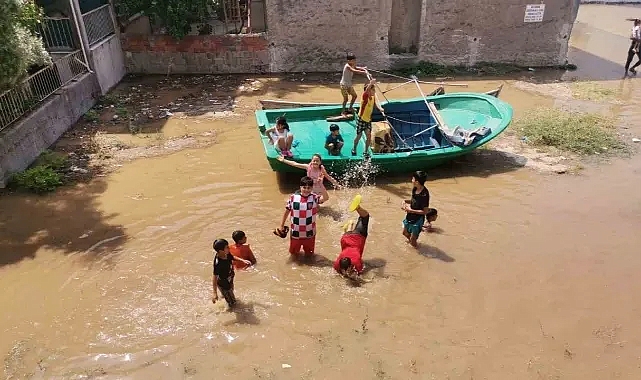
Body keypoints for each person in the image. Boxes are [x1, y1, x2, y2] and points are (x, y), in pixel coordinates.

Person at [279, 176, 328, 256]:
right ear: (300, 187)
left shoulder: (314, 198)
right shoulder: (293, 198)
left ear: (312, 188)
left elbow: (326, 198)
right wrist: (281, 225)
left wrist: (321, 185)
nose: (306, 190)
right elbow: (286, 211)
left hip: (310, 233)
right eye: (304, 187)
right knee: (294, 254)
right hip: (295, 233)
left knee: (309, 254)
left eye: (308, 188)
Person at [334, 199, 370, 281]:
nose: (344, 271)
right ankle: (350, 223)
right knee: (349, 234)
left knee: (365, 217)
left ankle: (357, 208)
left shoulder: (356, 263)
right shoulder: (337, 265)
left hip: (356, 238)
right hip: (345, 239)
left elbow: (358, 278)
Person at [276, 154, 341, 199]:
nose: (315, 162)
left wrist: (337, 184)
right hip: (310, 187)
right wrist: (284, 160)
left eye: (317, 161)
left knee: (318, 203)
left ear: (320, 162)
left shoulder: (321, 169)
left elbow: (328, 176)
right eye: (314, 160)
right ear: (311, 161)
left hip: (318, 188)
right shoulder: (308, 167)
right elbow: (295, 164)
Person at [212, 238, 252, 308]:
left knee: (230, 292)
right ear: (221, 251)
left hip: (230, 278)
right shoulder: (218, 264)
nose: (229, 248)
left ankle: (224, 297)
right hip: (224, 283)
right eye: (227, 247)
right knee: (233, 303)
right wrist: (214, 293)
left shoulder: (226, 253)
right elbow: (214, 277)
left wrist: (242, 260)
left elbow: (232, 257)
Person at [352, 79, 385, 157]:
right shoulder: (365, 97)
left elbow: (376, 103)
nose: (374, 91)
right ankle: (354, 148)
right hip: (361, 119)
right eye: (373, 90)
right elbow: (366, 90)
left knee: (369, 136)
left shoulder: (373, 97)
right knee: (359, 136)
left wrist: (380, 109)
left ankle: (365, 151)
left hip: (368, 120)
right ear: (369, 91)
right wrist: (371, 84)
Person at [401, 171, 430, 247]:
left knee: (413, 240)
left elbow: (425, 211)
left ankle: (415, 249)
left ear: (417, 182)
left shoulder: (425, 195)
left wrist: (411, 210)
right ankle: (412, 241)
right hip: (410, 215)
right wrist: (404, 201)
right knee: (404, 233)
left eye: (413, 179)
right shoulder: (415, 189)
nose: (411, 180)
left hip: (418, 219)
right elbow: (414, 201)